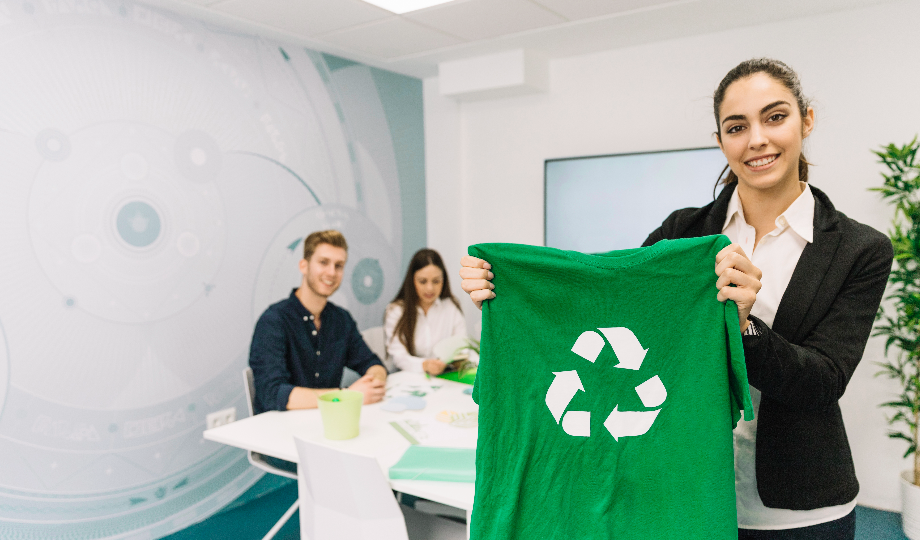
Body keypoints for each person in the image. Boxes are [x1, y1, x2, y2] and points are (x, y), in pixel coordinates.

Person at [459, 58, 893, 540]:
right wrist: (512, 299)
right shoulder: (683, 234)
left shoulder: (858, 249)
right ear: (720, 141)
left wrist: (744, 325)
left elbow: (823, 381)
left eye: (775, 117)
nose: (757, 140)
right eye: (736, 126)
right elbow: (610, 309)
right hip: (678, 490)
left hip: (794, 507)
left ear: (805, 120)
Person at [249, 229, 387, 418]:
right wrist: (346, 396)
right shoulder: (274, 321)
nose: (331, 272)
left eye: (339, 265)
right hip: (279, 434)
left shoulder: (341, 319)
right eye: (323, 262)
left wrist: (375, 382)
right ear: (303, 266)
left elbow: (372, 363)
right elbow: (273, 394)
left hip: (327, 424)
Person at [385, 248, 467, 375]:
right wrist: (424, 365)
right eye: (422, 281)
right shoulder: (396, 311)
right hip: (408, 378)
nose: (430, 288)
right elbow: (398, 356)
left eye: (436, 281)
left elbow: (462, 346)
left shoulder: (451, 307)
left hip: (445, 376)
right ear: (412, 281)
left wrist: (457, 360)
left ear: (443, 280)